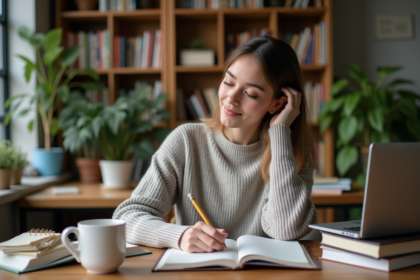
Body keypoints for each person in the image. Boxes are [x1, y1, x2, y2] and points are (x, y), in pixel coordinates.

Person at [113, 35, 317, 253]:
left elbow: (287, 229)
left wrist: (280, 133)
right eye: (228, 82)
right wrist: (180, 236)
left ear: (277, 104)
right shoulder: (186, 141)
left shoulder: (291, 153)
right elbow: (126, 218)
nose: (231, 97)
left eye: (250, 93)